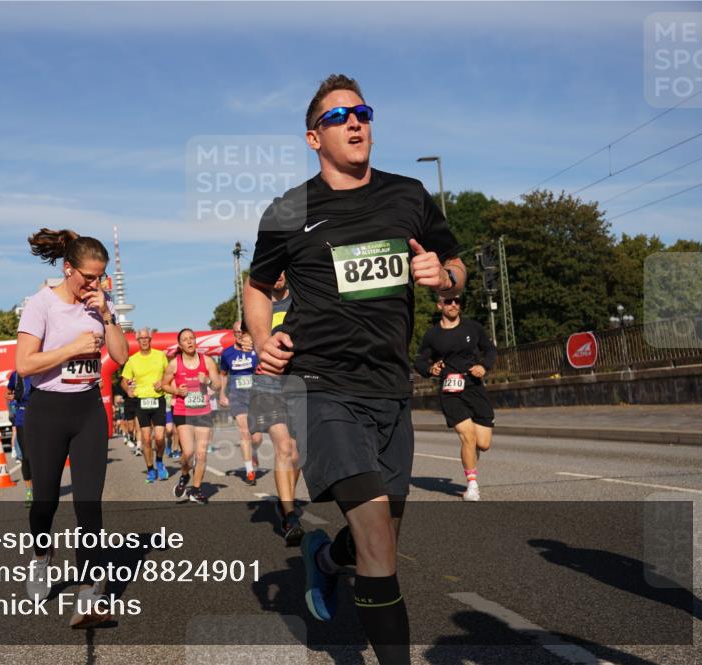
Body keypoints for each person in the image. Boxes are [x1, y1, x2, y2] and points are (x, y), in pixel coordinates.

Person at [244, 74, 465, 663]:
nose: (355, 122)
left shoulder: (409, 195)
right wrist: (263, 340)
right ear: (314, 138)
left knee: (380, 540)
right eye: (340, 117)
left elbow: (459, 266)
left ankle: (323, 559)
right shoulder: (291, 209)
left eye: (363, 112)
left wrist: (442, 276)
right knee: (374, 536)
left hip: (391, 392)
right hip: (322, 389)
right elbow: (258, 286)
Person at [15, 227, 128, 628]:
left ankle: (89, 595)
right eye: (88, 278)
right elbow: (24, 365)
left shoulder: (101, 303)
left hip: (87, 410)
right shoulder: (40, 304)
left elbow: (121, 356)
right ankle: (42, 558)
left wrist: (108, 316)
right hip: (46, 410)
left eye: (100, 278)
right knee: (44, 503)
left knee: (88, 505)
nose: (94, 285)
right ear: (68, 269)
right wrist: (70, 350)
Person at [414, 295, 496, 501]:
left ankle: (470, 454)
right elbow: (419, 360)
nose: (453, 305)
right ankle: (472, 486)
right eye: (449, 302)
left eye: (457, 301)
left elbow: (490, 350)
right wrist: (430, 369)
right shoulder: (432, 335)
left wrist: (483, 366)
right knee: (467, 436)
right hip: (450, 390)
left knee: (483, 443)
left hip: (474, 387)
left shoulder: (473, 328)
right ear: (440, 305)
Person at [248, 272, 304, 545]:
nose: (278, 275)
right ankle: (291, 516)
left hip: (300, 384)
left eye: (283, 270)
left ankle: (286, 500)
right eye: (275, 270)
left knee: (298, 452)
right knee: (284, 447)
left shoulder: (303, 299)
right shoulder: (259, 306)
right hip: (269, 385)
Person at [162, 328, 221, 505]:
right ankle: (185, 475)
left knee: (201, 454)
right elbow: (164, 385)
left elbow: (218, 385)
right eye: (185, 339)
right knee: (188, 453)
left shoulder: (207, 361)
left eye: (191, 338)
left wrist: (208, 381)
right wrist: (176, 390)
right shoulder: (174, 364)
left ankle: (196, 490)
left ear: (195, 341)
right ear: (180, 345)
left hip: (203, 411)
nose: (189, 341)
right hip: (183, 411)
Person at [121, 327, 170, 484]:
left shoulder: (160, 355)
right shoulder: (132, 360)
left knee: (160, 437)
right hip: (142, 402)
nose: (143, 340)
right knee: (147, 439)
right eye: (141, 338)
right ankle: (150, 469)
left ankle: (160, 461)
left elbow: (169, 375)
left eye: (146, 338)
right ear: (137, 340)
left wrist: (162, 383)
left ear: (150, 339)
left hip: (158, 400)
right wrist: (128, 389)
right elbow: (124, 380)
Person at [219, 321, 261, 485]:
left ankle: (254, 452)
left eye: (242, 332)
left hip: (255, 396)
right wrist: (222, 393)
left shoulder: (255, 350)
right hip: (237, 397)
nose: (239, 334)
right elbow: (223, 374)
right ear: (233, 333)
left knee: (256, 438)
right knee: (244, 433)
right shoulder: (227, 353)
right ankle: (249, 471)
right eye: (236, 332)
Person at [6, 370, 34, 507]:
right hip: (22, 418)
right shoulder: (16, 375)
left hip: (41, 416)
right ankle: (29, 490)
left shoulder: (42, 369)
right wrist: (10, 398)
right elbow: (8, 392)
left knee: (42, 456)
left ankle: (43, 489)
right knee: (26, 457)